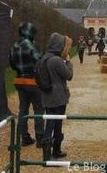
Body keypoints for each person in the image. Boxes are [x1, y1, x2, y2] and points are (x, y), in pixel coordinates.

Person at [9, 22, 44, 147]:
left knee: (23, 110)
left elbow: (12, 66)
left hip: (19, 81)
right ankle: (40, 138)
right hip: (33, 81)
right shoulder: (31, 46)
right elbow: (39, 62)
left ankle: (24, 137)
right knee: (38, 110)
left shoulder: (14, 46)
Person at [39, 33, 73, 161]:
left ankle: (52, 152)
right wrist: (68, 61)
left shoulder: (45, 57)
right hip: (58, 97)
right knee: (56, 124)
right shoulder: (56, 60)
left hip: (47, 96)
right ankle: (50, 154)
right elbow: (69, 75)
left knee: (50, 123)